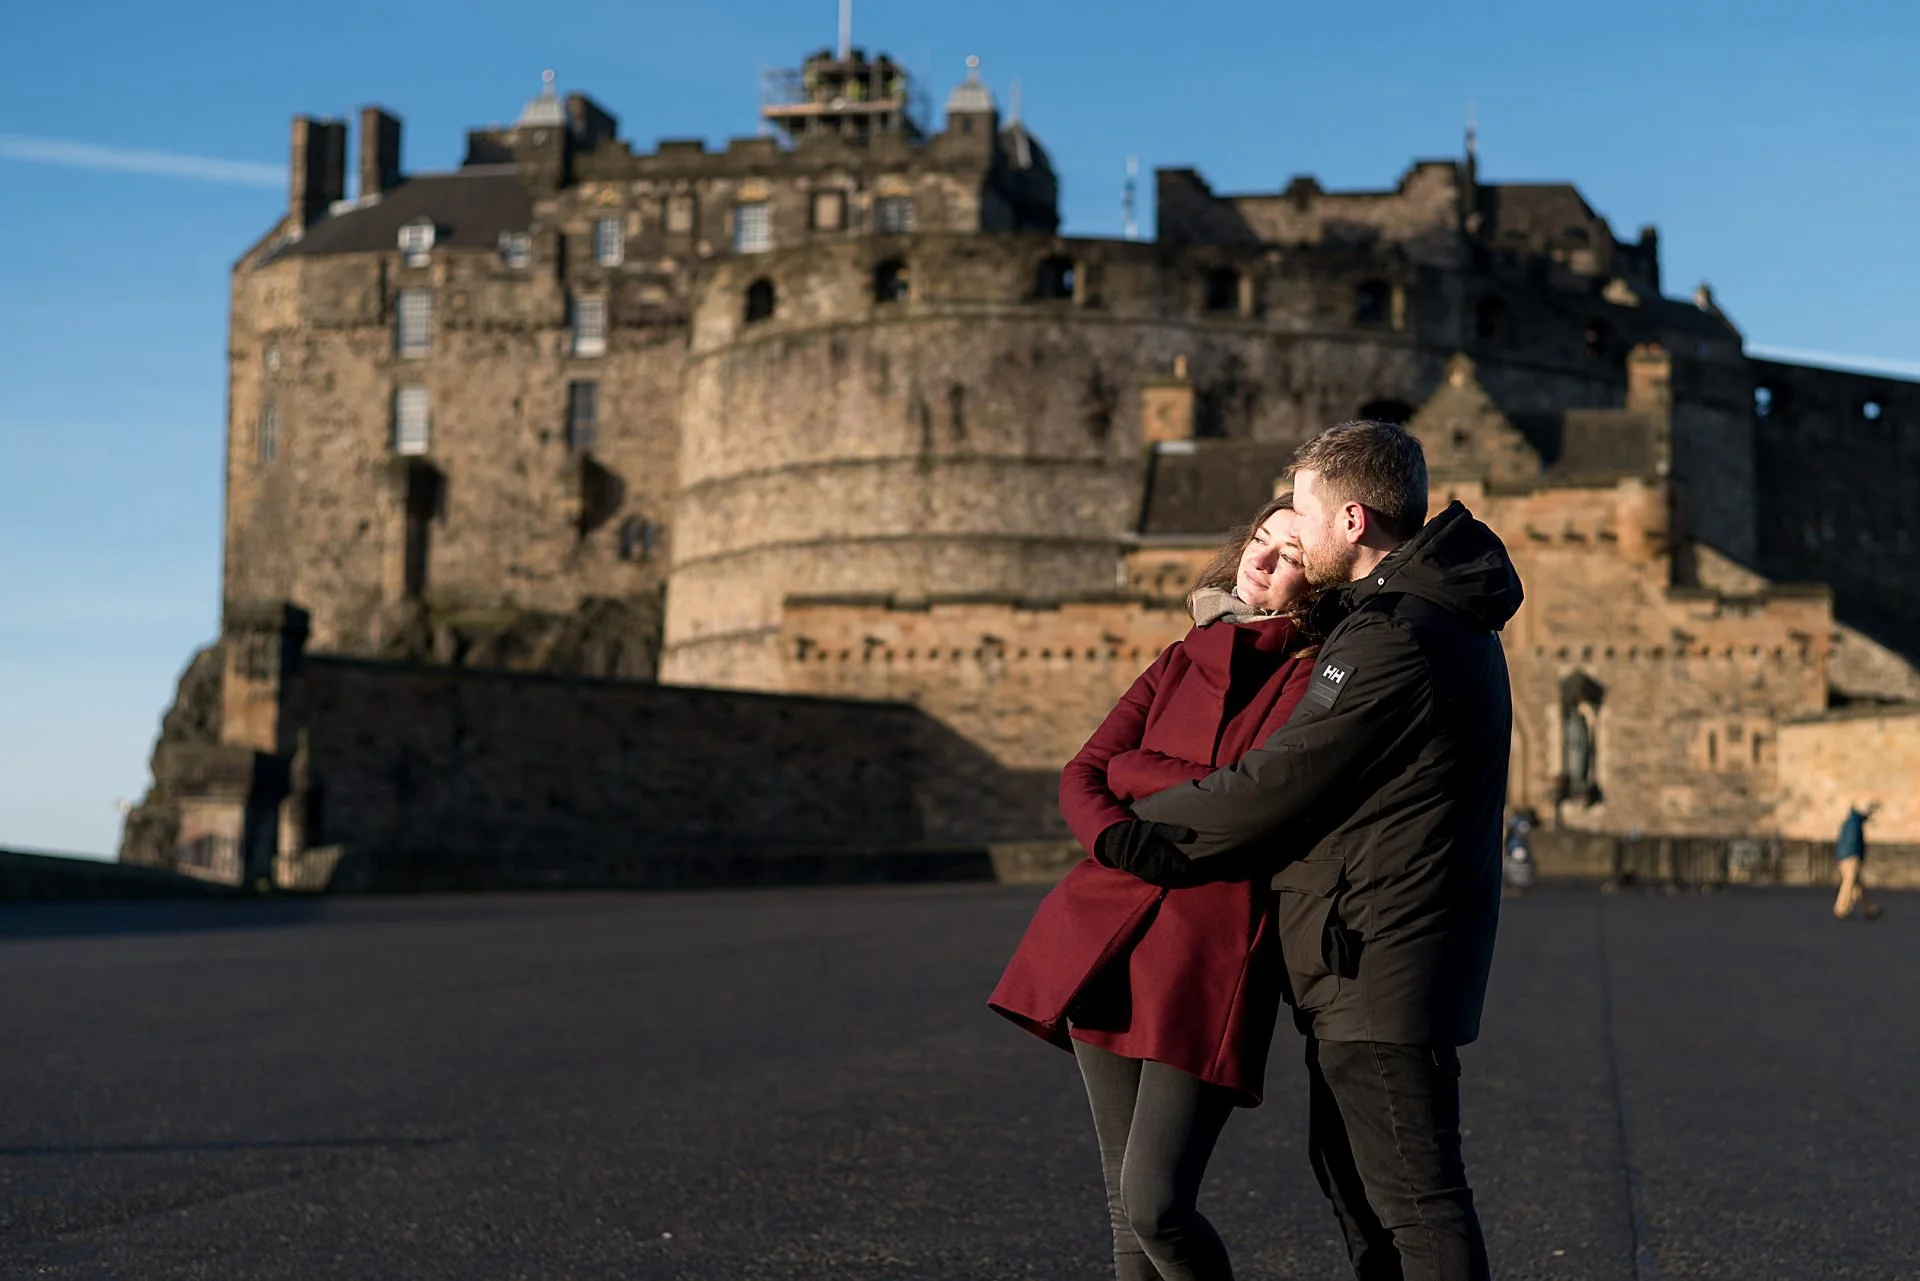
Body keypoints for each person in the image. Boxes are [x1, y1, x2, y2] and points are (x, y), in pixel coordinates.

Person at [1104, 419, 1523, 1281]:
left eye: (1304, 510)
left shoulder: (1396, 633)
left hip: (1380, 959)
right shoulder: (1413, 615)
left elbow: (1280, 778)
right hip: (1367, 952)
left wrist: (1141, 834)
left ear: (1353, 520)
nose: (1292, 526)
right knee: (1365, 1193)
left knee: (1414, 1203)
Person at [990, 494, 1321, 1281]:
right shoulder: (1180, 656)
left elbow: (1242, 792)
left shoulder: (1309, 674)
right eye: (1261, 538)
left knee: (1156, 1205)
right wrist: (1115, 834)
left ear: (1318, 584)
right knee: (1123, 1212)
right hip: (1106, 936)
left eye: (1290, 555)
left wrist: (1134, 772)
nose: (1262, 559)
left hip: (1204, 956)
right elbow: (1082, 771)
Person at [1833, 803, 1883, 921]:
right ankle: (1841, 908)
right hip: (1851, 858)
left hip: (1845, 857)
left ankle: (1868, 908)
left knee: (1857, 885)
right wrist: (1858, 856)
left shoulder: (1850, 822)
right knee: (1849, 883)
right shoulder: (1854, 824)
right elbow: (1854, 843)